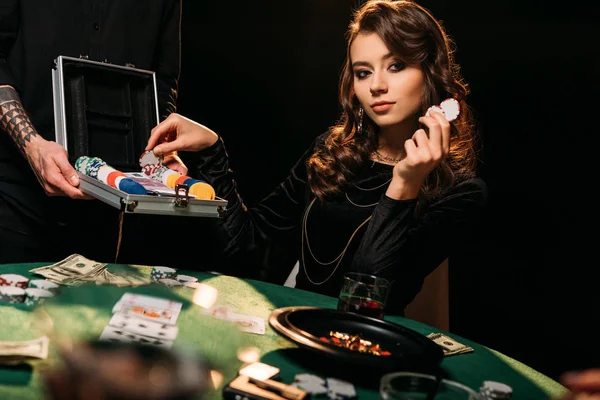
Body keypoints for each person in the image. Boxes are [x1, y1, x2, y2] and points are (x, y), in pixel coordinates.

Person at [145, 0, 487, 314]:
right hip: (293, 328)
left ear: (430, 71)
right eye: (363, 72)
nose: (376, 86)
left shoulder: (460, 192)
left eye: (396, 66)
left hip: (365, 349)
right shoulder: (331, 151)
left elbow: (365, 298)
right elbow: (244, 244)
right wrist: (211, 150)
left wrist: (405, 182)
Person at [0, 0, 182, 264]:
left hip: (106, 202)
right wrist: (33, 146)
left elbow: (163, 80)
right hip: (13, 194)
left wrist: (162, 149)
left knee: (93, 304)